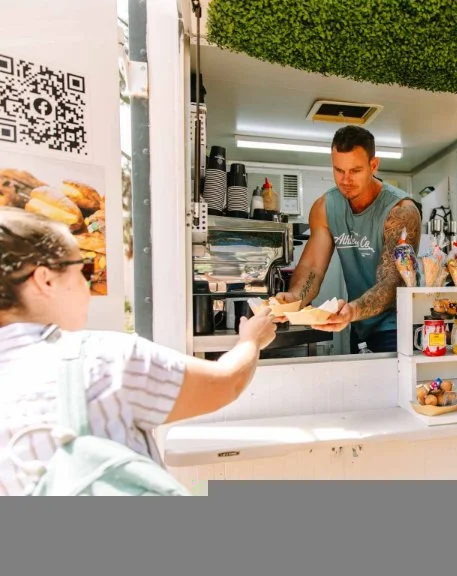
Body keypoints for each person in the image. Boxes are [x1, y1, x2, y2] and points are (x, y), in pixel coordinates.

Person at [0, 207, 276, 495]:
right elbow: (225, 383)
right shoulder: (104, 359)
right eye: (83, 270)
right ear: (45, 280)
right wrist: (251, 340)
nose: (88, 283)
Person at [275, 126, 421, 353]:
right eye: (338, 170)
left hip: (396, 326)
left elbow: (394, 281)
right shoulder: (325, 207)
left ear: (374, 166)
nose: (345, 180)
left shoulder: (400, 211)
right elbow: (312, 267)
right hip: (358, 325)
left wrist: (352, 310)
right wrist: (294, 299)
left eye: (355, 170)